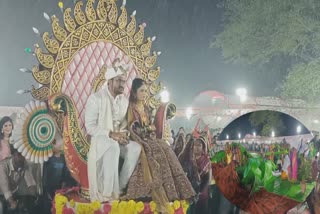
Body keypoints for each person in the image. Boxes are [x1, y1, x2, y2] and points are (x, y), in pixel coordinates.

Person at [123, 78, 195, 212]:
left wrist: (150, 129)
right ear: (134, 92)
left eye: (146, 91)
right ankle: (149, 192)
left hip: (149, 137)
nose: (144, 93)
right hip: (137, 139)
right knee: (155, 150)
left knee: (165, 148)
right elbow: (132, 128)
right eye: (141, 91)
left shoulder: (144, 107)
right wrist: (148, 129)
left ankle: (172, 191)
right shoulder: (131, 107)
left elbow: (152, 126)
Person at [85, 60, 141, 202]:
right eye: (118, 81)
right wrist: (110, 134)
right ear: (109, 81)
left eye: (124, 81)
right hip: (100, 141)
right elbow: (90, 127)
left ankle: (120, 189)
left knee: (135, 148)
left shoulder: (124, 101)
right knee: (112, 146)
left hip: (116, 140)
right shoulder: (96, 99)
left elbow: (123, 126)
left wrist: (124, 135)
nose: (122, 84)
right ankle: (107, 194)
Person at [179, 133, 211, 214]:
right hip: (189, 194)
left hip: (201, 194)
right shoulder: (188, 159)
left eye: (199, 145)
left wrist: (198, 191)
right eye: (195, 145)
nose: (197, 147)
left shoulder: (206, 161)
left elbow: (207, 179)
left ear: (203, 147)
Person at [0, 145, 37, 211]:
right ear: (12, 155)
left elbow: (31, 183)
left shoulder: (24, 163)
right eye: (19, 154)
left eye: (24, 155)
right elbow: (5, 189)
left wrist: (34, 198)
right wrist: (12, 203)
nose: (22, 158)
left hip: (13, 194)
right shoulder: (2, 166)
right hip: (2, 194)